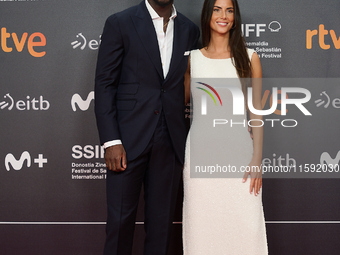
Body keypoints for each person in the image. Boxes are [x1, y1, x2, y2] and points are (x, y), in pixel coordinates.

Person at [94, 0, 199, 254]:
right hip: (127, 140)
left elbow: (189, 82)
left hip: (171, 139)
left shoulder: (189, 30)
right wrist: (111, 141)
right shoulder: (120, 23)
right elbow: (105, 85)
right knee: (119, 224)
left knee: (161, 227)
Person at [182, 0, 268, 254]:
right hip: (200, 155)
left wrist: (256, 158)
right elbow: (176, 106)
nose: (223, 16)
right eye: (217, 9)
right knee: (202, 229)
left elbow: (257, 113)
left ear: (235, 17)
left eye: (229, 10)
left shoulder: (250, 58)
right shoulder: (192, 60)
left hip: (240, 156)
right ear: (207, 14)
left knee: (245, 227)